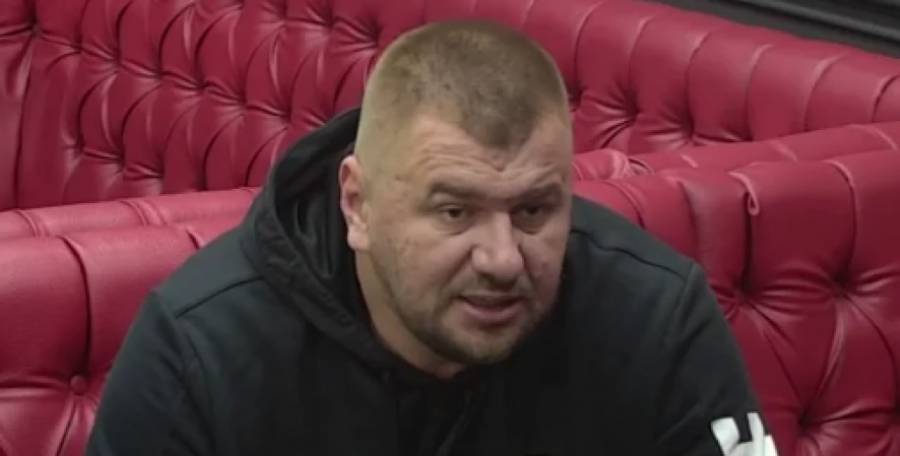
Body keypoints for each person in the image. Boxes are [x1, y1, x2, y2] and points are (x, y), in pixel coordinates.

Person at [85, 20, 777, 456]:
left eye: (534, 210)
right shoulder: (201, 352)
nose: (503, 258)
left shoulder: (656, 317)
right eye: (454, 213)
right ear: (357, 204)